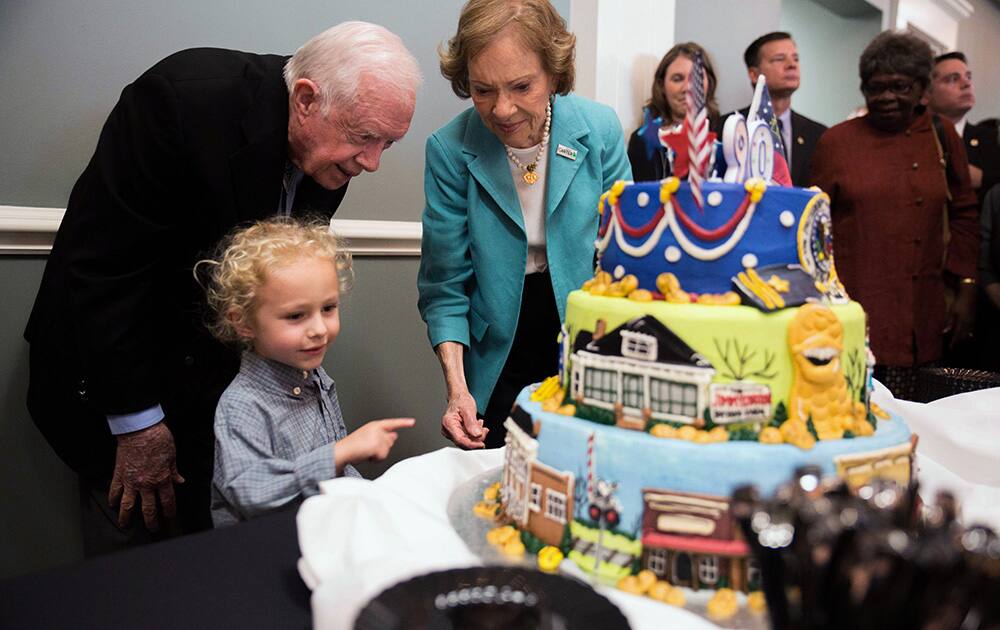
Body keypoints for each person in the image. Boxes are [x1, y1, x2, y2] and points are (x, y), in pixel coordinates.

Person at [24, 22, 421, 551]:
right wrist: (138, 425)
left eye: (388, 143)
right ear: (306, 99)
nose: (371, 162)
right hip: (114, 382)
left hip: (207, 391)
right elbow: (102, 270)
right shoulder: (181, 103)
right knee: (136, 572)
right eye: (364, 137)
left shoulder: (326, 156)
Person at [418, 0, 631, 450]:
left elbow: (625, 255)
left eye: (521, 86)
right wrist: (459, 390)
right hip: (498, 344)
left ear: (554, 74)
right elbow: (445, 288)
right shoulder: (449, 151)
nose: (502, 110)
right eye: (482, 90)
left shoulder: (600, 130)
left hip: (585, 331)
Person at [198, 218, 414, 526]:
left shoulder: (316, 378)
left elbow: (336, 475)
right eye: (296, 315)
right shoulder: (243, 405)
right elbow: (251, 493)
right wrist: (340, 453)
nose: (319, 330)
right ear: (243, 322)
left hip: (324, 526)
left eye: (328, 308)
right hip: (268, 547)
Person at [809, 31, 979, 400]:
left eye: (899, 87)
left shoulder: (941, 134)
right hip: (854, 309)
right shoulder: (837, 142)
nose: (886, 97)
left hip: (925, 314)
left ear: (921, 89)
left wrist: (965, 287)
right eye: (875, 88)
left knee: (918, 422)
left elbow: (964, 212)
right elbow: (812, 228)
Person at [720, 32, 826, 187]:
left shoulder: (819, 134)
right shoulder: (727, 127)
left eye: (795, 58)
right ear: (754, 74)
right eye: (779, 59)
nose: (792, 65)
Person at [627, 42, 719, 182]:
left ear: (709, 83)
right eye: (678, 79)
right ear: (661, 85)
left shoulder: (726, 134)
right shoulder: (643, 140)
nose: (687, 88)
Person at [926, 52, 1000, 208]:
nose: (966, 84)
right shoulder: (914, 138)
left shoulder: (992, 140)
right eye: (953, 79)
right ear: (927, 92)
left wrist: (984, 179)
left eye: (968, 77)